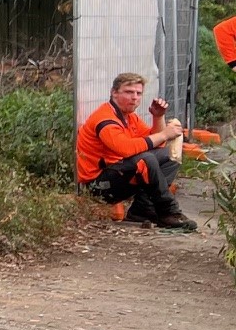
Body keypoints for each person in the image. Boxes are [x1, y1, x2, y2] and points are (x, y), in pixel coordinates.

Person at [75, 71, 196, 230]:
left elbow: (156, 144)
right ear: (114, 93)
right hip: (97, 186)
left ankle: (143, 209)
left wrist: (158, 117)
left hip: (117, 174)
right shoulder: (105, 119)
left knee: (169, 156)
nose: (135, 97)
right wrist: (165, 133)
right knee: (146, 159)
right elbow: (126, 149)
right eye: (129, 92)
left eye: (139, 93)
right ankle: (169, 212)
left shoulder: (129, 117)